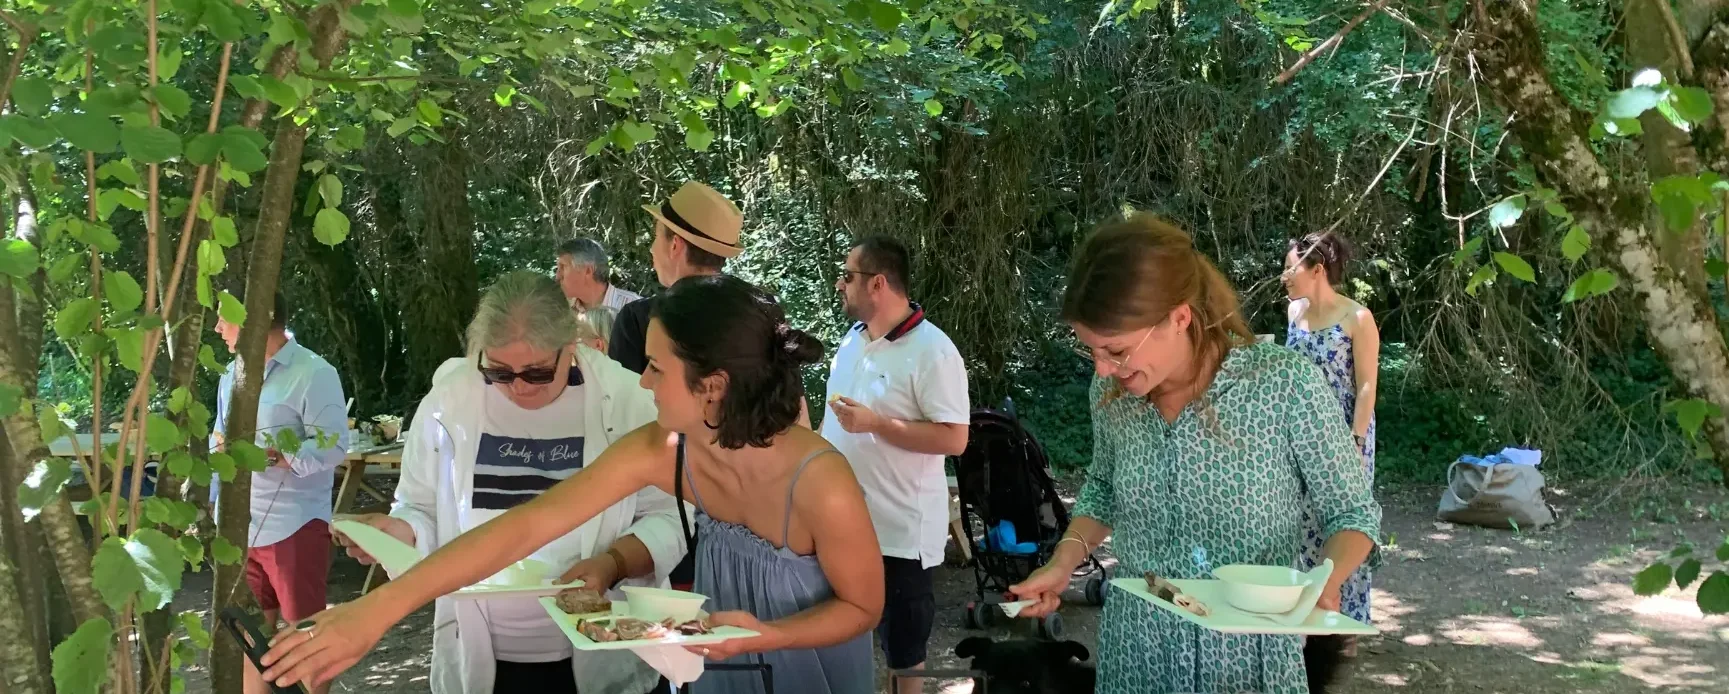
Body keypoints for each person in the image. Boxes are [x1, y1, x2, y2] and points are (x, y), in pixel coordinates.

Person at [262, 274, 882, 694]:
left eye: (658, 369)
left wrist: (770, 634)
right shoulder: (665, 449)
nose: (643, 383)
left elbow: (863, 606)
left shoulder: (820, 480)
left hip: (810, 670)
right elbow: (525, 526)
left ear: (711, 386)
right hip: (724, 669)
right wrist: (373, 611)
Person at [1007, 213, 1381, 694]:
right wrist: (1062, 564)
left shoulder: (1283, 384)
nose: (1103, 368)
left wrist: (1324, 583)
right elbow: (1103, 489)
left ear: (1179, 318)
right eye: (1092, 351)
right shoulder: (1111, 393)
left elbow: (1353, 512)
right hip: (1137, 658)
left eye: (1116, 350)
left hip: (1251, 662)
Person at [334, 271, 685, 694]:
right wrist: (398, 532)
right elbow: (421, 506)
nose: (518, 388)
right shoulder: (449, 402)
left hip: (602, 645)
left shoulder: (628, 401)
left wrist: (612, 563)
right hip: (486, 652)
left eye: (536, 373)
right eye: (499, 372)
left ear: (570, 346)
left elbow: (673, 518)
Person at [821, 237, 969, 694]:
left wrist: (877, 424)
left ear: (878, 283)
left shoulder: (934, 350)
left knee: (904, 654)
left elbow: (955, 439)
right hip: (844, 525)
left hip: (900, 533)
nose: (840, 284)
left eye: (848, 275)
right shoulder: (852, 339)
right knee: (843, 639)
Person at [210, 292, 349, 694]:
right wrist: (212, 500)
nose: (217, 328)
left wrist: (277, 456)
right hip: (242, 527)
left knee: (304, 635)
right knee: (250, 632)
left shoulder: (314, 372)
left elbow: (334, 445)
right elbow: (218, 438)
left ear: (258, 318)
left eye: (225, 319)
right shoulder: (230, 376)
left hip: (295, 523)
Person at [1282, 232, 1380, 646]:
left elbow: (1366, 387)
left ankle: (1345, 626)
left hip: (1345, 435)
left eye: (1291, 268)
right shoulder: (1292, 313)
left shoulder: (1357, 317)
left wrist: (1355, 444)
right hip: (1298, 439)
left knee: (1343, 524)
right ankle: (1305, 618)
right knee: (1301, 523)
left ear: (1317, 270)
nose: (1284, 276)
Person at [607, 181, 742, 375]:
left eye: (656, 236)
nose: (652, 249)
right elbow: (795, 404)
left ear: (675, 245)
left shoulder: (638, 320)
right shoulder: (761, 314)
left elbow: (621, 403)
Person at [556, 237, 643, 312]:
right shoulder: (560, 310)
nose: (558, 276)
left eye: (563, 267)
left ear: (588, 271)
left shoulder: (635, 307)